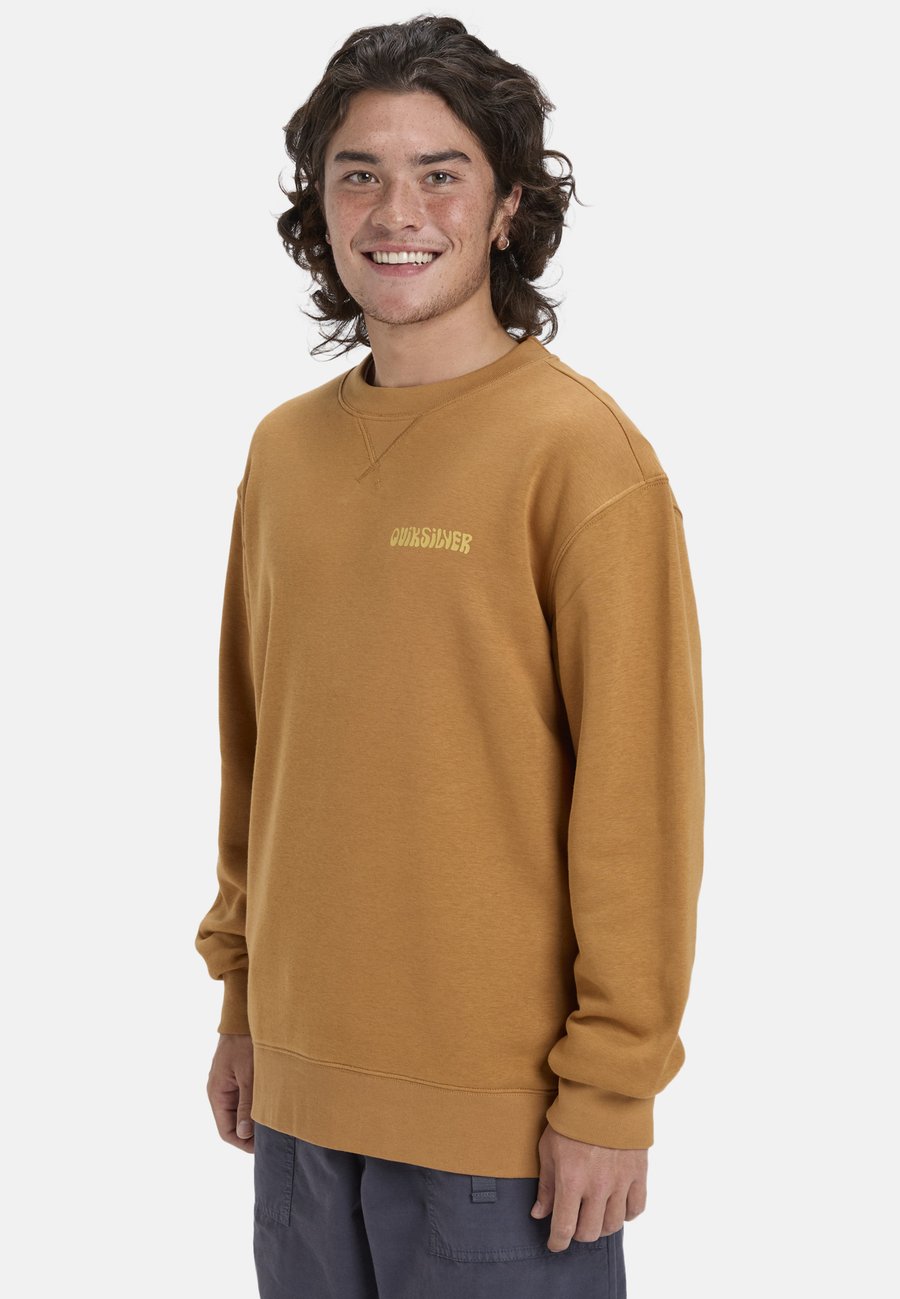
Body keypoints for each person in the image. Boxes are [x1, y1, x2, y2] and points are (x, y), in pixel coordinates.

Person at [194, 14, 705, 1298]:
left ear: (509, 206)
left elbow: (640, 805)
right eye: (359, 173)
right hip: (299, 1101)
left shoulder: (579, 457)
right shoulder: (281, 453)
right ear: (319, 205)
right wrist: (243, 1004)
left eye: (442, 172)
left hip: (502, 1129)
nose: (396, 211)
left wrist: (612, 1089)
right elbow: (259, 751)